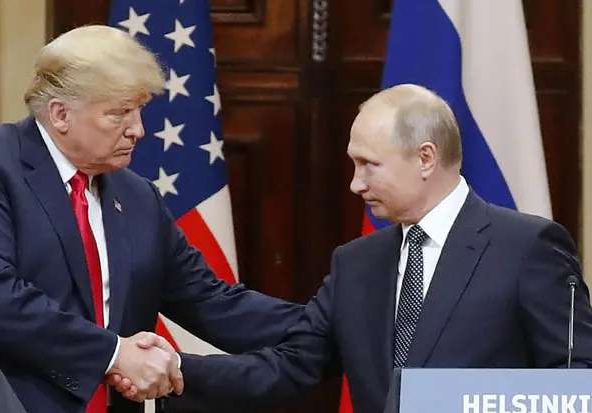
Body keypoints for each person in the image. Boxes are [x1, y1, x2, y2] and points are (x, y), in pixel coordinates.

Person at [115, 83, 592, 413]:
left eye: (369, 165)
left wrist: (449, 399)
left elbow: (577, 385)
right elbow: (290, 365)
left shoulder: (527, 247)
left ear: (426, 158)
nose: (355, 183)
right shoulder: (358, 262)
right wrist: (175, 369)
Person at [0, 25, 304, 413]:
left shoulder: (137, 196)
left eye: (140, 110)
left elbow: (209, 299)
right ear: (61, 114)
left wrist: (333, 324)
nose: (138, 130)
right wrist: (115, 355)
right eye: (119, 114)